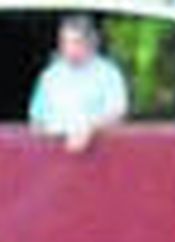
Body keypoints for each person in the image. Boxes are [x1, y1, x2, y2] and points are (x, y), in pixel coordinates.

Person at [28, 13, 127, 153]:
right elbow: (36, 119)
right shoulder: (50, 76)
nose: (69, 48)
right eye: (64, 42)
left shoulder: (109, 74)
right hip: (54, 153)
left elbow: (116, 113)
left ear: (91, 42)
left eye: (75, 42)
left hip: (98, 154)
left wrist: (89, 130)